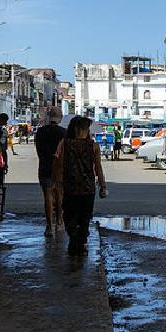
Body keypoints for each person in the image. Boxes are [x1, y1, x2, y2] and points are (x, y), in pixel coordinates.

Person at [52, 117, 108, 256]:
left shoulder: (64, 143)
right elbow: (98, 168)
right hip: (88, 187)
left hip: (70, 186)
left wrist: (56, 182)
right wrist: (102, 185)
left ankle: (73, 238)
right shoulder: (93, 146)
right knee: (85, 216)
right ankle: (81, 242)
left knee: (70, 214)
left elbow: (58, 164)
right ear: (81, 129)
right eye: (86, 128)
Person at [34, 108, 67, 237]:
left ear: (49, 117)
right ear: (60, 117)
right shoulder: (63, 132)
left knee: (47, 197)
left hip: (45, 166)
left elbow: (38, 150)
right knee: (59, 196)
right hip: (59, 168)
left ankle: (49, 226)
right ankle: (59, 221)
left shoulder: (41, 131)